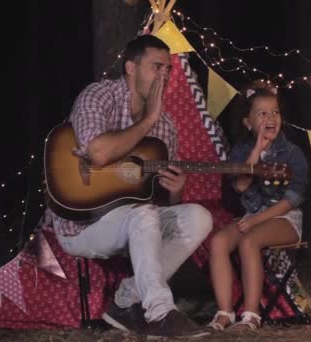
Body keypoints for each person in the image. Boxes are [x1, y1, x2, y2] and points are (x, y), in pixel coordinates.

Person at [44, 34, 213, 338]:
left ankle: (125, 299)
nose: (164, 76)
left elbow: (159, 201)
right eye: (156, 67)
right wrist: (148, 119)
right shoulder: (98, 96)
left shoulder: (168, 127)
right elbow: (99, 153)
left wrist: (175, 189)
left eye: (168, 70)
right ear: (131, 68)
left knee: (199, 217)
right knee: (142, 214)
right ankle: (160, 313)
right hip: (82, 223)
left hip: (132, 220)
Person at [207, 85, 309, 331]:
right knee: (218, 242)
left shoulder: (293, 153)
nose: (270, 118)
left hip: (285, 218)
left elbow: (292, 199)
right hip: (252, 215)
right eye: (262, 114)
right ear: (247, 122)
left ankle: (251, 315)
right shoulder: (241, 151)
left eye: (274, 112)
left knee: (248, 241)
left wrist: (257, 220)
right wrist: (257, 151)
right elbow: (241, 186)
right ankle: (225, 313)